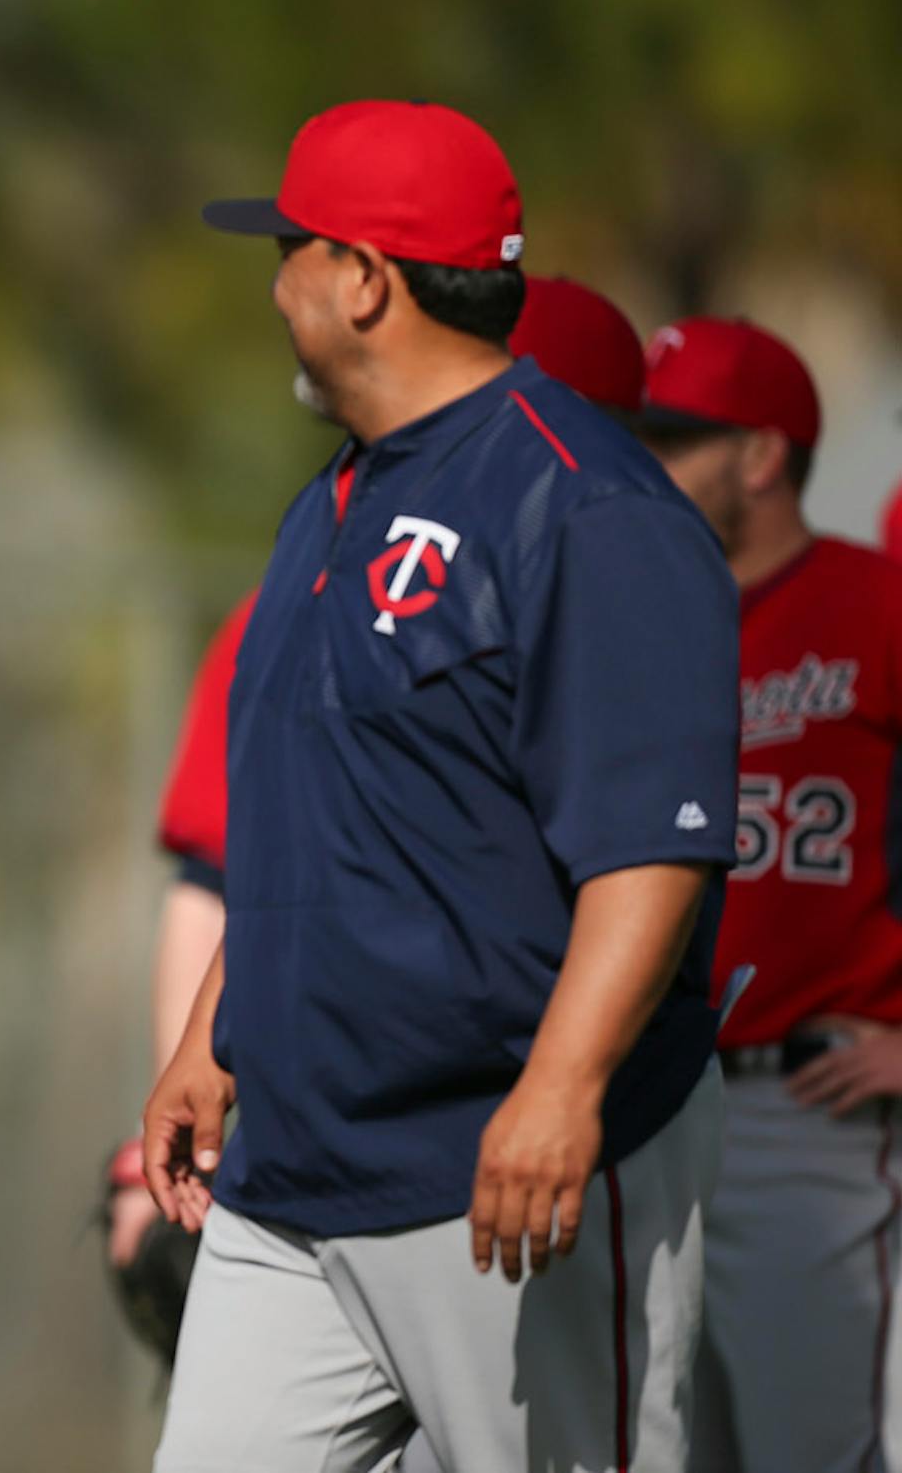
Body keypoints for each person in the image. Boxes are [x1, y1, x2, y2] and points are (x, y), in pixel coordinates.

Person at [141, 99, 741, 1471]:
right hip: (295, 1175)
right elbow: (326, 813)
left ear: (364, 279)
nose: (275, 280)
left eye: (291, 247)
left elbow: (653, 847)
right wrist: (211, 1033)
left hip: (504, 1167)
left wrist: (564, 1085)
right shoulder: (329, 501)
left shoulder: (587, 504)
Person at [102, 272, 650, 1348]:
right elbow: (230, 877)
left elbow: (644, 864)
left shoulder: (625, 573)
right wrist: (194, 1077)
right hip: (332, 1137)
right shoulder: (315, 555)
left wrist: (562, 1087)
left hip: (562, 1122)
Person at [634, 317, 902, 1473]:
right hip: (645, 1115)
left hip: (809, 1109)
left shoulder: (876, 605)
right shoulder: (633, 620)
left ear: (762, 455)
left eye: (675, 437)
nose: (646, 461)